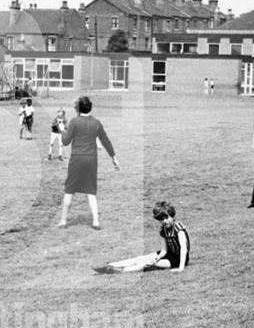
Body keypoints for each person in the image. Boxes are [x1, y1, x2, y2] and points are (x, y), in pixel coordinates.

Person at [57, 96, 119, 229]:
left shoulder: (74, 122)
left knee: (69, 190)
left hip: (77, 159)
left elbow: (66, 141)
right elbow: (105, 141)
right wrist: (113, 157)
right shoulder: (96, 123)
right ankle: (96, 221)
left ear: (78, 108)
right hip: (91, 160)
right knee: (91, 191)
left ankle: (63, 221)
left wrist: (62, 130)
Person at [93, 201, 190, 273]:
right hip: (168, 254)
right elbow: (164, 250)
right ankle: (112, 265)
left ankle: (122, 270)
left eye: (166, 218)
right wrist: (158, 257)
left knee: (150, 263)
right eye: (161, 219)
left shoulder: (178, 228)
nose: (164, 221)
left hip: (178, 259)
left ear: (172, 215)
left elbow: (183, 249)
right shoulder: (163, 229)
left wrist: (181, 268)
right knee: (142, 258)